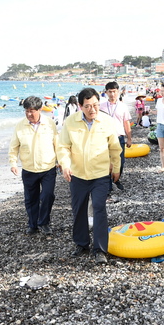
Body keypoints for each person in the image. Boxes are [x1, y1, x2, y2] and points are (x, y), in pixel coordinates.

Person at [56, 88, 122, 264]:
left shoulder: (106, 121)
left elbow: (115, 147)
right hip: (77, 174)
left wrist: (116, 168)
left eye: (95, 105)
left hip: (100, 174)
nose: (92, 109)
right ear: (80, 106)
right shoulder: (70, 122)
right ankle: (81, 243)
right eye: (88, 106)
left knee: (99, 208)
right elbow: (62, 146)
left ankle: (99, 249)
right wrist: (65, 165)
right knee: (79, 209)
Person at [8, 96, 58, 235]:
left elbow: (57, 143)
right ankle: (33, 224)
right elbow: (13, 146)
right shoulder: (20, 125)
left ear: (40, 109)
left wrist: (61, 161)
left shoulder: (49, 123)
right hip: (29, 168)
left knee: (47, 196)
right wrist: (13, 163)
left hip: (48, 167)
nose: (29, 114)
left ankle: (44, 222)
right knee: (31, 199)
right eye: (26, 111)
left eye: (32, 111)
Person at [101, 82, 132, 191]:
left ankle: (116, 179)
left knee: (121, 161)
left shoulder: (123, 106)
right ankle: (108, 185)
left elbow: (126, 123)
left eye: (114, 91)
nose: (112, 94)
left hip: (119, 137)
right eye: (110, 91)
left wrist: (129, 138)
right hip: (105, 138)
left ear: (118, 92)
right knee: (107, 161)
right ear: (106, 92)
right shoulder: (101, 106)